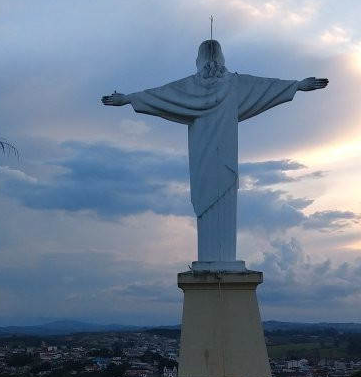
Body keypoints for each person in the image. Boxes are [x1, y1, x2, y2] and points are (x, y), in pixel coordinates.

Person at [102, 40, 328, 265]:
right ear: (222, 60)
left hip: (207, 159)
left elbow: (161, 95)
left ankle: (221, 263)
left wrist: (129, 98)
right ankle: (214, 262)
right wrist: (296, 85)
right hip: (215, 159)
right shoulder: (234, 84)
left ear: (198, 61)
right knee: (213, 203)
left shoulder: (194, 88)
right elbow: (264, 87)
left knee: (219, 202)